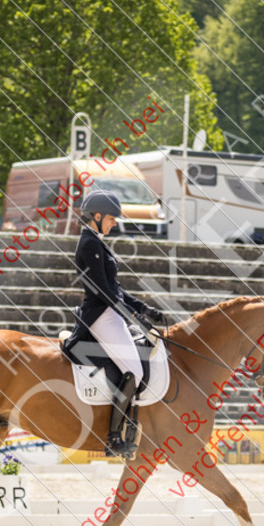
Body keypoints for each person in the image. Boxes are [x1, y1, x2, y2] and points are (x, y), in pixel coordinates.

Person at [74, 190, 163, 458]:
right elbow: (102, 290)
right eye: (111, 218)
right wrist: (132, 316)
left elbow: (116, 289)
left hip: (110, 312)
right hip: (100, 315)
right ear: (97, 216)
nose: (114, 223)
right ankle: (113, 437)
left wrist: (143, 308)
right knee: (133, 371)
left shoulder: (97, 242)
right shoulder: (89, 244)